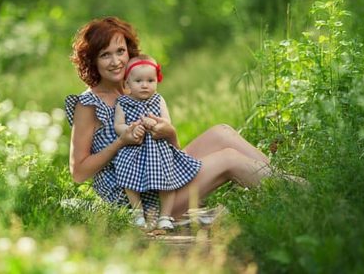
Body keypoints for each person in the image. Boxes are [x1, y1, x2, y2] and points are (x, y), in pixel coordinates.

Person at [65, 16, 281, 226]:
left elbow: (171, 151)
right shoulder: (88, 105)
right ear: (92, 60)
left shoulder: (135, 89)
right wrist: (121, 142)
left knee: (222, 132)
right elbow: (79, 173)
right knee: (229, 159)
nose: (116, 62)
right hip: (138, 201)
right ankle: (293, 192)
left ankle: (287, 183)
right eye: (105, 55)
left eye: (120, 51)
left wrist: (169, 133)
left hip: (162, 179)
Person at [113, 54, 202, 230]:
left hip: (158, 149)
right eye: (138, 81)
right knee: (128, 181)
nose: (145, 85)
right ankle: (137, 213)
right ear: (127, 84)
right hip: (133, 149)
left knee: (168, 183)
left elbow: (167, 123)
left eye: (150, 80)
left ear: (157, 82)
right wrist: (130, 130)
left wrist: (154, 124)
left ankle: (165, 216)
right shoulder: (122, 102)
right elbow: (118, 126)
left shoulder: (158, 100)